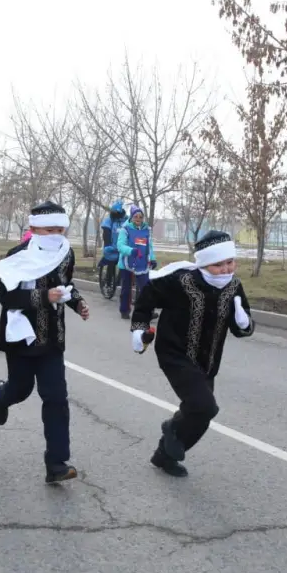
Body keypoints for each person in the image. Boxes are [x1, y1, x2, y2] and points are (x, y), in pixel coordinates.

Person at [129, 230, 254, 477]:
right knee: (205, 406)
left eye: (230, 262)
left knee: (200, 415)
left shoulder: (233, 286)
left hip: (207, 361)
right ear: (204, 263)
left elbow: (242, 327)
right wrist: (139, 329)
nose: (227, 269)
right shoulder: (181, 282)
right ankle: (173, 429)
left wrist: (244, 323)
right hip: (175, 354)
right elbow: (146, 299)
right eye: (219, 264)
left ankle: (164, 455)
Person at [0, 201, 90, 483]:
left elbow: (66, 285)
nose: (56, 234)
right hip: (21, 337)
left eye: (60, 229)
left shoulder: (66, 253)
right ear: (33, 229)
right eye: (49, 229)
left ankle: (56, 463)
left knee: (56, 397)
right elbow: (6, 298)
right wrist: (44, 298)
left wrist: (77, 303)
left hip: (53, 339)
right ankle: (1, 394)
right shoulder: (18, 255)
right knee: (21, 391)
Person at [115, 205, 157, 319]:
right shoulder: (125, 229)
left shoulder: (146, 230)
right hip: (126, 263)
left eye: (140, 217)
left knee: (145, 288)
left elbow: (150, 247)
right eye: (135, 216)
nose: (138, 219)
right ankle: (125, 310)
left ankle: (147, 311)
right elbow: (120, 246)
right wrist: (131, 251)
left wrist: (152, 258)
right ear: (131, 217)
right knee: (126, 289)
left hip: (142, 262)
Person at [97, 200, 127, 270]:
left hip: (124, 247)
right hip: (112, 247)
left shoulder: (127, 220)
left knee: (124, 266)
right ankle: (108, 279)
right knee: (111, 263)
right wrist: (107, 245)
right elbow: (106, 232)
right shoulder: (109, 220)